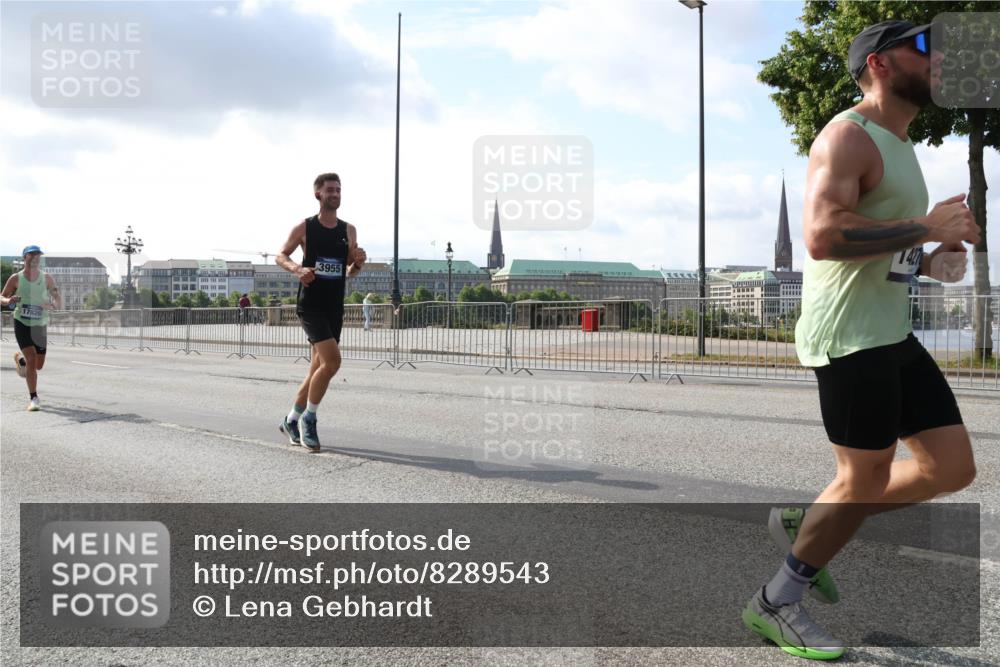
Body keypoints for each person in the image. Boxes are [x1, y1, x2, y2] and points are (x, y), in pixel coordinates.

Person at [742, 21, 980, 660]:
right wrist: (923, 225)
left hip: (890, 330)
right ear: (878, 62)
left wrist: (929, 260)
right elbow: (821, 237)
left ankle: (811, 520)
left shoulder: (900, 144)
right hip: (848, 336)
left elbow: (882, 246)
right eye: (924, 47)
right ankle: (775, 603)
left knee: (951, 468)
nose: (938, 60)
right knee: (864, 477)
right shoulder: (847, 135)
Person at [275, 173, 367, 452]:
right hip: (311, 306)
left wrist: (359, 263)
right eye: (330, 190)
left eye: (338, 190)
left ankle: (291, 419)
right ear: (318, 195)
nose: (335, 194)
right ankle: (309, 420)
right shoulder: (305, 227)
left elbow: (349, 271)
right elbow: (281, 255)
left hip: (333, 306)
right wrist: (297, 269)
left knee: (317, 368)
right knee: (333, 363)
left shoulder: (348, 230)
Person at [1, 246, 62, 411]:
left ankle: (21, 362)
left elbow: (57, 296)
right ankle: (34, 398)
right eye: (32, 254)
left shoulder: (47, 278)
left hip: (39, 324)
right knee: (32, 357)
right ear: (25, 257)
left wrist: (53, 304)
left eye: (38, 255)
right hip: (21, 321)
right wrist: (8, 301)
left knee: (38, 365)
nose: (36, 257)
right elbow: (2, 296)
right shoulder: (16, 278)